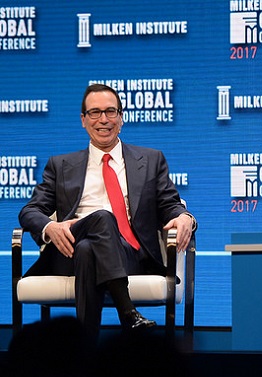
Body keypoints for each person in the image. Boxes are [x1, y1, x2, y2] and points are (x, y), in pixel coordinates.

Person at [19, 83, 196, 337]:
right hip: (68, 254)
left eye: (110, 111)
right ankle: (128, 313)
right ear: (83, 120)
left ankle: (85, 348)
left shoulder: (150, 160)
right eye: (95, 112)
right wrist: (50, 227)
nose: (103, 119)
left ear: (121, 118)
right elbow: (30, 211)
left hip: (129, 256)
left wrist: (185, 217)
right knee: (100, 220)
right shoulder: (61, 165)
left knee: (88, 248)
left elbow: (170, 204)